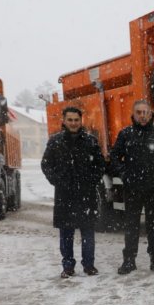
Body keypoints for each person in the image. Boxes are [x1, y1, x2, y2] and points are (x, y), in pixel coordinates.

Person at [109, 100, 154, 274]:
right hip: (132, 189)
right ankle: (129, 261)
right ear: (134, 114)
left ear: (151, 114)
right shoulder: (126, 134)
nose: (143, 115)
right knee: (132, 226)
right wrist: (125, 175)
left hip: (153, 189)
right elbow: (114, 157)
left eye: (146, 112)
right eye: (139, 112)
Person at [41, 106, 106, 279]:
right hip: (64, 195)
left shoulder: (90, 141)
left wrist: (91, 181)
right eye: (70, 120)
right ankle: (68, 266)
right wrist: (57, 181)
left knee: (88, 233)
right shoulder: (55, 141)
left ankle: (89, 265)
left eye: (76, 120)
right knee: (66, 234)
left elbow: (100, 165)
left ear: (81, 120)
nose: (73, 123)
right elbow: (46, 165)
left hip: (87, 194)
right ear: (63, 121)